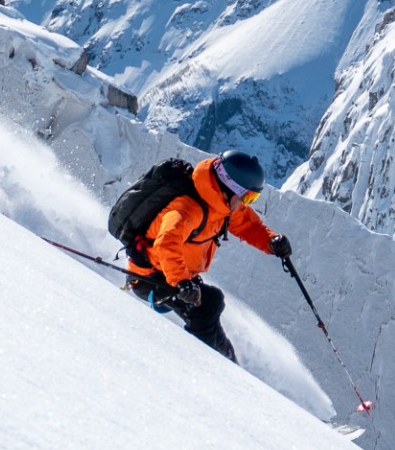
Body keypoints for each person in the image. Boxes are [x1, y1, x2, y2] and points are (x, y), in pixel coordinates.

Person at [118, 150, 293, 363]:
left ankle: (228, 363)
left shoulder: (219, 204)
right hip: (151, 277)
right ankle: (204, 367)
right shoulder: (187, 209)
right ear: (231, 188)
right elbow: (166, 243)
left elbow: (247, 225)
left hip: (176, 276)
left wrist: (271, 242)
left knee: (210, 304)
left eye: (252, 198)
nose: (246, 204)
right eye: (248, 197)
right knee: (206, 308)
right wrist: (181, 281)